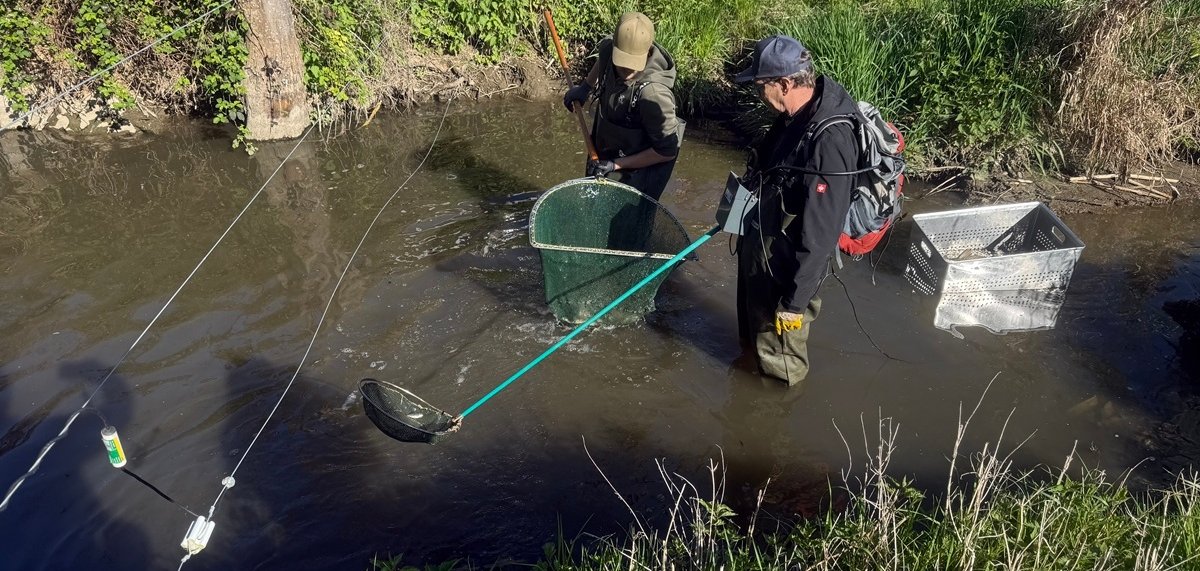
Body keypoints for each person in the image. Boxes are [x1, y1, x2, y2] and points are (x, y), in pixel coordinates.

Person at [731, 35, 861, 387]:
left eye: (761, 86)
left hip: (787, 275)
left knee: (780, 369)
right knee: (752, 346)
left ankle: (777, 411)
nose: (759, 94)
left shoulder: (831, 141)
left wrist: (794, 304)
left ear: (785, 84)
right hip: (762, 250)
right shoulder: (795, 115)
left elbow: (821, 235)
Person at [562, 12, 684, 202]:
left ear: (648, 53)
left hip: (638, 174)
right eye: (621, 63)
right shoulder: (609, 48)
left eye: (633, 65)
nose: (627, 70)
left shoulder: (653, 95)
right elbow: (604, 55)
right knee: (592, 202)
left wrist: (615, 165)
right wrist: (585, 87)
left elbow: (666, 152)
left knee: (622, 217)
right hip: (605, 153)